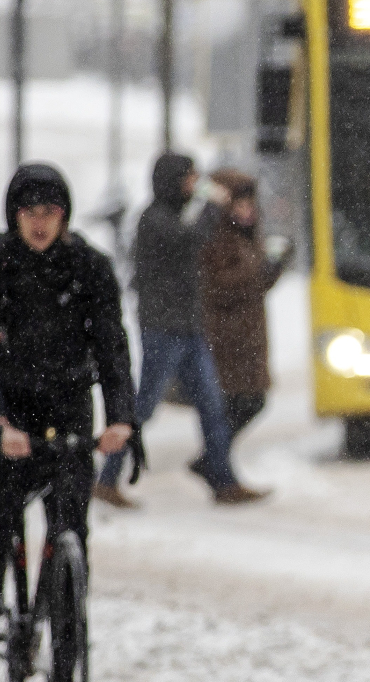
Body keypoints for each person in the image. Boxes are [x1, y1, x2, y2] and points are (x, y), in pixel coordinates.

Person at [0, 164, 135, 628]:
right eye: (29, 212)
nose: (39, 223)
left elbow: (112, 346)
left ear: (65, 216)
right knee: (4, 496)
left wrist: (121, 417)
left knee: (72, 521)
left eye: (50, 212)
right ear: (14, 215)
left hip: (69, 403)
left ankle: (68, 651)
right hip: (10, 405)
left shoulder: (91, 268)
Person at [93, 153, 268, 507]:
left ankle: (224, 481)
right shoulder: (154, 220)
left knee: (212, 406)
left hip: (188, 328)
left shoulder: (171, 217)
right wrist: (210, 204)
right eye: (189, 179)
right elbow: (191, 241)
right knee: (143, 408)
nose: (194, 185)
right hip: (163, 329)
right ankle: (107, 478)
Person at [199, 168, 288, 456]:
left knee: (246, 403)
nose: (248, 210)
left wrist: (275, 266)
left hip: (247, 338)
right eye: (240, 204)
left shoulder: (246, 236)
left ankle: (217, 463)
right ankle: (215, 463)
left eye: (250, 204)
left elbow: (257, 284)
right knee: (239, 404)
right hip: (228, 338)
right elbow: (216, 286)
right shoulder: (217, 238)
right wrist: (256, 272)